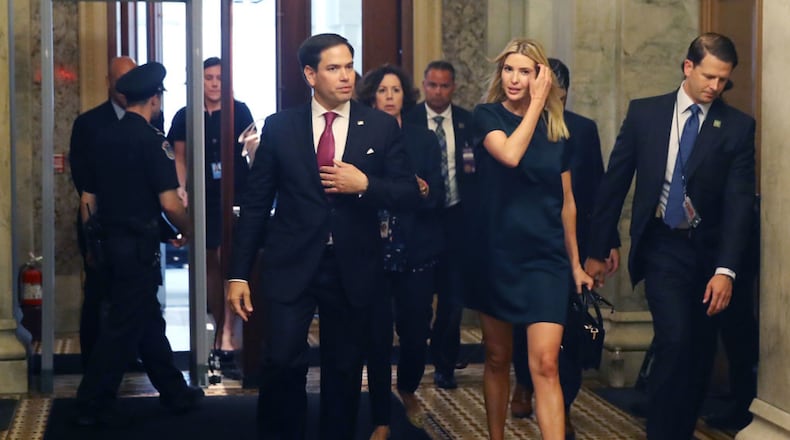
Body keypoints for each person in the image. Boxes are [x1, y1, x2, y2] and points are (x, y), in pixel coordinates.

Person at [226, 33, 419, 440]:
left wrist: (365, 183)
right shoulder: (280, 127)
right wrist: (239, 274)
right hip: (291, 262)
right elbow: (257, 204)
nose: (346, 76)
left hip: (352, 265)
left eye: (349, 65)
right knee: (281, 359)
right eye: (334, 68)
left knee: (344, 368)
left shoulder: (380, 127)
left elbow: (407, 192)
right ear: (310, 74)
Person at [585, 33, 756, 440]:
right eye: (709, 76)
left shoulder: (736, 127)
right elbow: (614, 183)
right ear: (687, 67)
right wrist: (598, 245)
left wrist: (726, 270)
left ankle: (679, 431)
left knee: (698, 354)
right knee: (675, 340)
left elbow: (738, 206)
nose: (715, 87)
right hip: (664, 246)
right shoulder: (646, 115)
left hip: (711, 253)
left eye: (723, 80)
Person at [467, 38, 593, 440]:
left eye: (525, 71)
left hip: (546, 257)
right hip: (497, 253)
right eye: (509, 69)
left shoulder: (558, 129)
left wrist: (574, 263)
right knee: (497, 356)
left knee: (545, 363)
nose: (515, 79)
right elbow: (510, 155)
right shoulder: (485, 115)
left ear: (539, 76)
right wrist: (538, 103)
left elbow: (567, 203)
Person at [75, 62, 204, 427]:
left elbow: (88, 198)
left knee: (147, 322)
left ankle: (175, 393)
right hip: (136, 250)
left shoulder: (102, 138)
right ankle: (90, 403)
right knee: (121, 329)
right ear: (154, 99)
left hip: (108, 245)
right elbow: (168, 202)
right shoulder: (153, 141)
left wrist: (91, 244)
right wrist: (191, 229)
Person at [509, 58, 620, 439]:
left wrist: (607, 244)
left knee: (568, 330)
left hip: (573, 245)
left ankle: (563, 406)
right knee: (527, 326)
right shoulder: (513, 127)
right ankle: (524, 382)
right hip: (525, 243)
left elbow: (598, 187)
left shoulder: (583, 130)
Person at [356, 64, 445, 440]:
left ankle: (407, 389)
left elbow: (438, 194)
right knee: (375, 334)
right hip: (372, 247)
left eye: (396, 90)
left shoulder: (422, 139)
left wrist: (422, 193)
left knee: (413, 331)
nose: (390, 96)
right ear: (372, 97)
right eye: (383, 90)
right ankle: (380, 411)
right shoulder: (360, 135)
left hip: (416, 246)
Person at [167, 57, 254, 379]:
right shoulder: (185, 114)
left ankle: (229, 331)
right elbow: (179, 157)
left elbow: (252, 150)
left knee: (232, 260)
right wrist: (181, 190)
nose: (214, 83)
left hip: (235, 196)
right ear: (198, 81)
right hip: (202, 197)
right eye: (208, 77)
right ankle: (219, 326)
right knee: (210, 263)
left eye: (219, 77)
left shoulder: (240, 110)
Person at [403, 60, 475, 389]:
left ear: (453, 87)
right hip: (420, 220)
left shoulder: (468, 123)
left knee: (452, 297)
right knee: (417, 303)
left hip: (457, 219)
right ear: (424, 84)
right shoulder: (410, 121)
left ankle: (445, 364)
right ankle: (414, 361)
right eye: (432, 85)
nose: (438, 91)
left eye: (445, 86)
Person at [69, 56, 137, 369]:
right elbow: (82, 180)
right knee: (97, 293)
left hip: (136, 226)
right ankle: (92, 361)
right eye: (119, 81)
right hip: (99, 222)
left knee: (135, 297)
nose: (124, 88)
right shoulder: (88, 123)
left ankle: (130, 356)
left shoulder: (147, 119)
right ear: (108, 82)